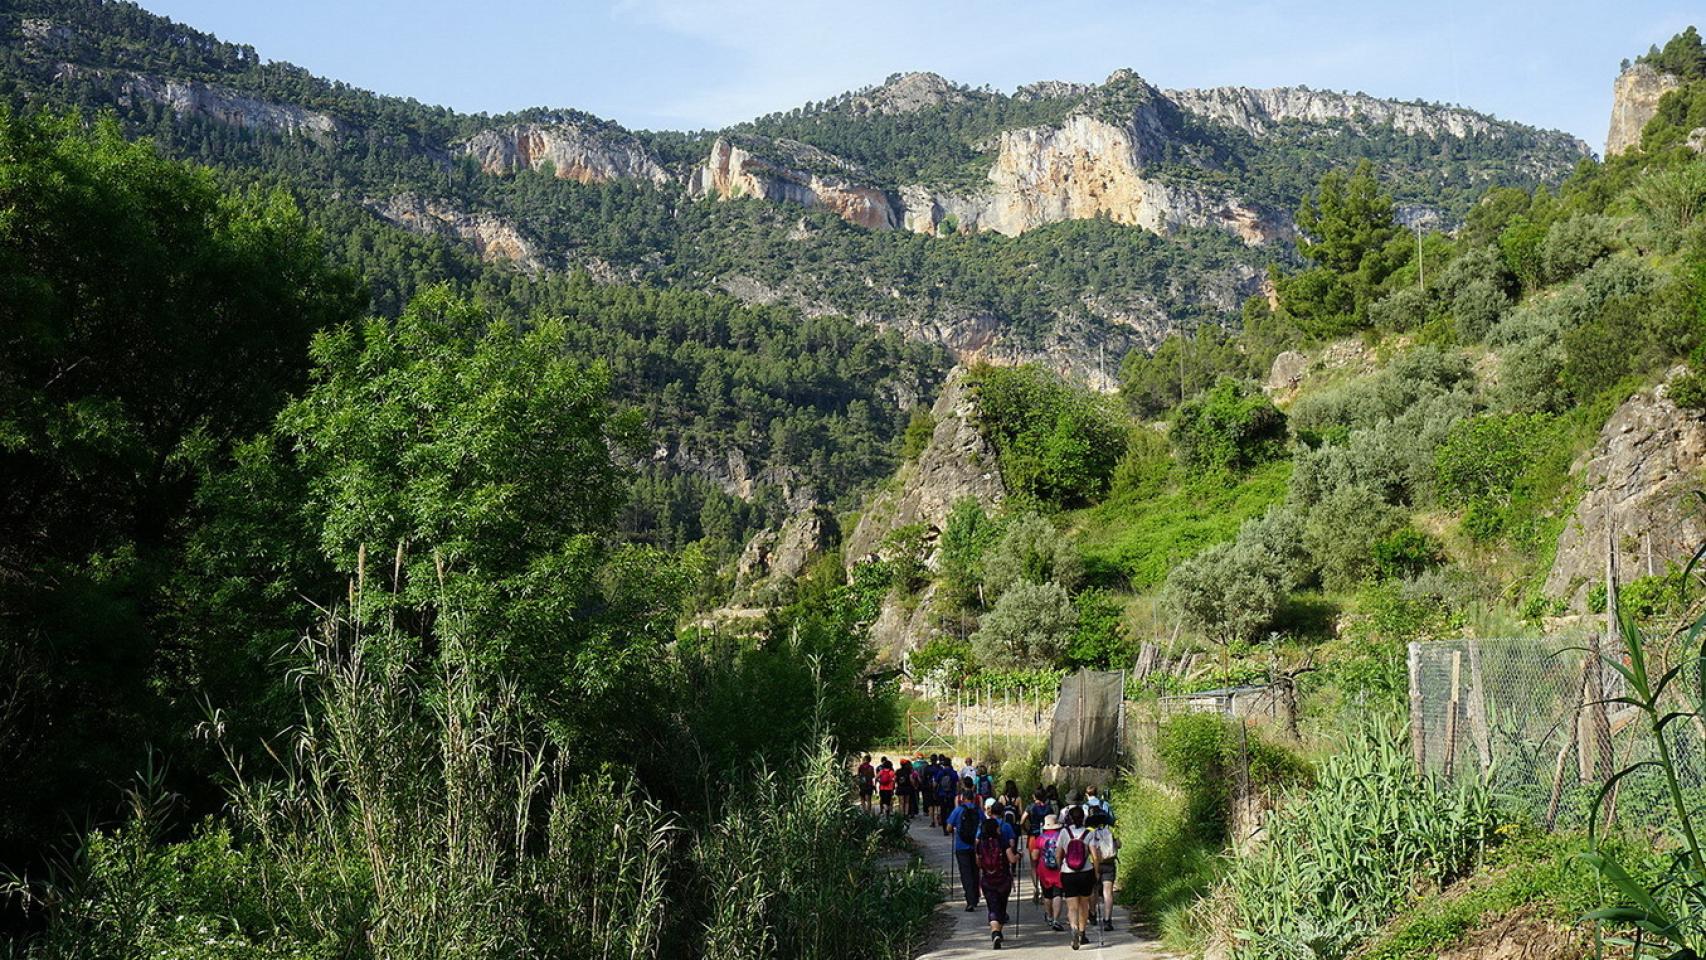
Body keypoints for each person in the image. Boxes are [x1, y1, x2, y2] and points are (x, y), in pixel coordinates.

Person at [1057, 805, 1099, 949]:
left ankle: (1073, 927)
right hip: (1085, 872)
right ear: (1084, 818)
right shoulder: (1089, 834)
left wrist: (1060, 868)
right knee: (1084, 905)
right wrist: (1096, 872)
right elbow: (1094, 855)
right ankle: (1082, 933)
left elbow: (1058, 854)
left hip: (1068, 873)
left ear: (1069, 818)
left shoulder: (1064, 832)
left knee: (1072, 906)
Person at [976, 812, 1020, 949]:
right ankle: (997, 932)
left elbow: (978, 863)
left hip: (988, 880)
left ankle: (995, 933)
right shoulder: (1002, 841)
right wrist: (1018, 856)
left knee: (992, 907)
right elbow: (1012, 859)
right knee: (1001, 906)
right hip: (1003, 879)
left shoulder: (980, 844)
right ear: (995, 829)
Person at [945, 791, 985, 911]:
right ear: (973, 799)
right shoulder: (978, 810)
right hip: (976, 846)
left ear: (963, 799)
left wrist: (954, 830)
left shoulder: (958, 810)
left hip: (961, 846)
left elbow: (948, 827)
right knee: (975, 872)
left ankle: (970, 901)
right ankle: (976, 896)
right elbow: (984, 825)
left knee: (965, 873)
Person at [1030, 812, 1065, 932]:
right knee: (1058, 894)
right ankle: (1056, 919)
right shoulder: (1061, 836)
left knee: (1047, 895)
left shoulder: (1040, 838)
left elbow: (1034, 857)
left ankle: (1049, 917)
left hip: (1044, 870)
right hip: (1059, 869)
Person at [1088, 807, 1119, 933]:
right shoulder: (1109, 830)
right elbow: (1119, 844)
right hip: (1109, 863)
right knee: (1108, 892)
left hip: (1093, 864)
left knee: (1093, 891)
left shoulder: (1089, 832)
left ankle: (1093, 914)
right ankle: (1107, 920)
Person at [1021, 787, 1052, 900]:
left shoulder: (1030, 807)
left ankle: (1036, 888)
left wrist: (1026, 829)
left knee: (1034, 865)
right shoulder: (1049, 808)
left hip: (1033, 837)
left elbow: (1022, 820)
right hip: (1045, 837)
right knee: (1044, 863)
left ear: (1035, 796)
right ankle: (1044, 888)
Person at [935, 761, 959, 833]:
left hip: (942, 795)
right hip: (951, 795)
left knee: (943, 812)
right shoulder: (954, 773)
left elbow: (935, 783)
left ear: (943, 765)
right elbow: (957, 784)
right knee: (951, 811)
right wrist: (957, 792)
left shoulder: (940, 772)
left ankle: (944, 829)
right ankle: (950, 827)